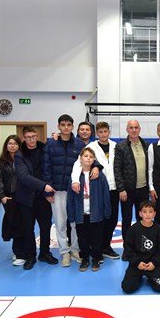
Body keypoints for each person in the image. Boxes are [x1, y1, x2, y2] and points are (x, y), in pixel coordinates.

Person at [43, 114, 97, 267]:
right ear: (59, 126)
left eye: (68, 125)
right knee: (60, 223)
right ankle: (64, 252)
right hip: (57, 190)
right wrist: (48, 190)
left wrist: (97, 167)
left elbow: (90, 159)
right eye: (63, 125)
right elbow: (46, 166)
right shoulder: (51, 143)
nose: (66, 128)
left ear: (72, 127)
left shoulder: (79, 144)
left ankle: (74, 249)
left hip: (75, 190)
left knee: (74, 222)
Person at [71, 121, 120, 260]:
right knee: (99, 221)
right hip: (97, 190)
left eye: (106, 131)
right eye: (100, 132)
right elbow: (77, 164)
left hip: (114, 188)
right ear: (96, 133)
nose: (103, 134)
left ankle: (106, 246)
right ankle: (96, 247)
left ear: (109, 132)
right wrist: (75, 180)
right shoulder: (90, 147)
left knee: (112, 219)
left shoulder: (116, 146)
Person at [14, 135, 56, 270]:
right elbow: (23, 176)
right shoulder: (20, 155)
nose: (31, 140)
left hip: (43, 198)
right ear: (24, 138)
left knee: (45, 227)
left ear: (37, 137)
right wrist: (44, 186)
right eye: (28, 137)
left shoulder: (45, 149)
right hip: (26, 198)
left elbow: (50, 170)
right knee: (28, 228)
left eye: (33, 137)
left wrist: (57, 136)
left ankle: (44, 253)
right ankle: (30, 255)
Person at [67, 148, 111, 272]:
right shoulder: (74, 177)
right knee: (83, 238)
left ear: (94, 160)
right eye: (85, 156)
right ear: (80, 159)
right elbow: (70, 198)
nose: (88, 158)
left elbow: (105, 194)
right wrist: (71, 215)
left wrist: (107, 211)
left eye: (91, 157)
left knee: (97, 238)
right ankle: (85, 258)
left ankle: (96, 258)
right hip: (81, 214)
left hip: (96, 214)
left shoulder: (99, 175)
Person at [114, 119, 151, 243]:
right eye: (131, 127)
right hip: (127, 191)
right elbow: (117, 169)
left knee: (143, 218)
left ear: (139, 129)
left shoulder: (146, 145)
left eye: (136, 127)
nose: (134, 130)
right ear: (127, 130)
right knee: (127, 219)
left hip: (143, 189)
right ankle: (127, 247)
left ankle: (141, 243)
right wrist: (121, 189)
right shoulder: (121, 146)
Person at [121, 201, 160, 293]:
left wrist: (154, 263)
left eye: (150, 212)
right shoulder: (133, 229)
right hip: (137, 264)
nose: (147, 215)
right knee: (127, 288)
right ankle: (138, 277)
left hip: (153, 264)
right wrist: (137, 262)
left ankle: (150, 277)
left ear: (154, 213)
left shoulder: (158, 229)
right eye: (144, 211)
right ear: (140, 213)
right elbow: (128, 249)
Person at [0, 135, 21, 260]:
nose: (12, 145)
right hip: (9, 197)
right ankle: (16, 251)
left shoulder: (23, 159)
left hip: (22, 196)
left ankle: (23, 249)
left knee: (23, 223)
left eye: (15, 143)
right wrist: (2, 196)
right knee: (13, 222)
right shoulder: (2, 162)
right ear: (6, 146)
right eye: (10, 143)